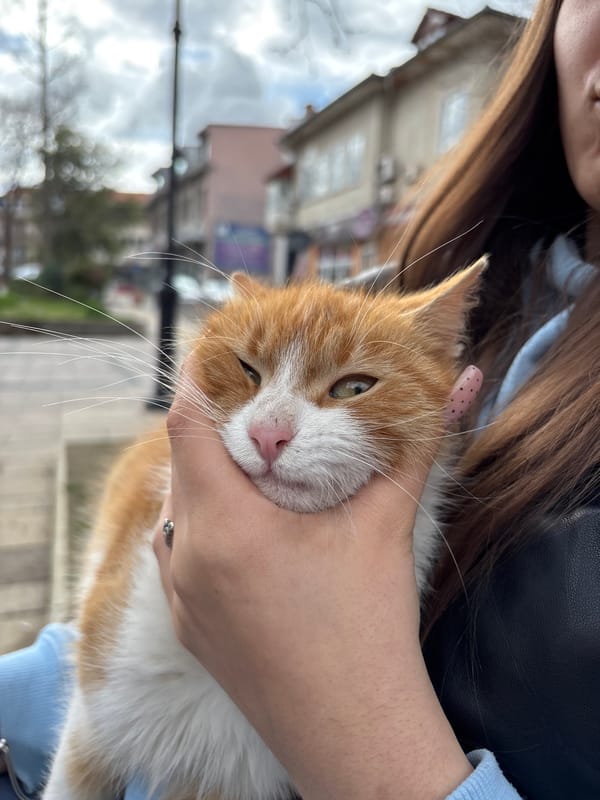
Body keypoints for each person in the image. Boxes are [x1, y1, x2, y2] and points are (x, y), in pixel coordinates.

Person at [1, 0, 598, 797]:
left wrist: (354, 728)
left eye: (349, 387)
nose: (275, 429)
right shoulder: (433, 284)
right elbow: (82, 667)